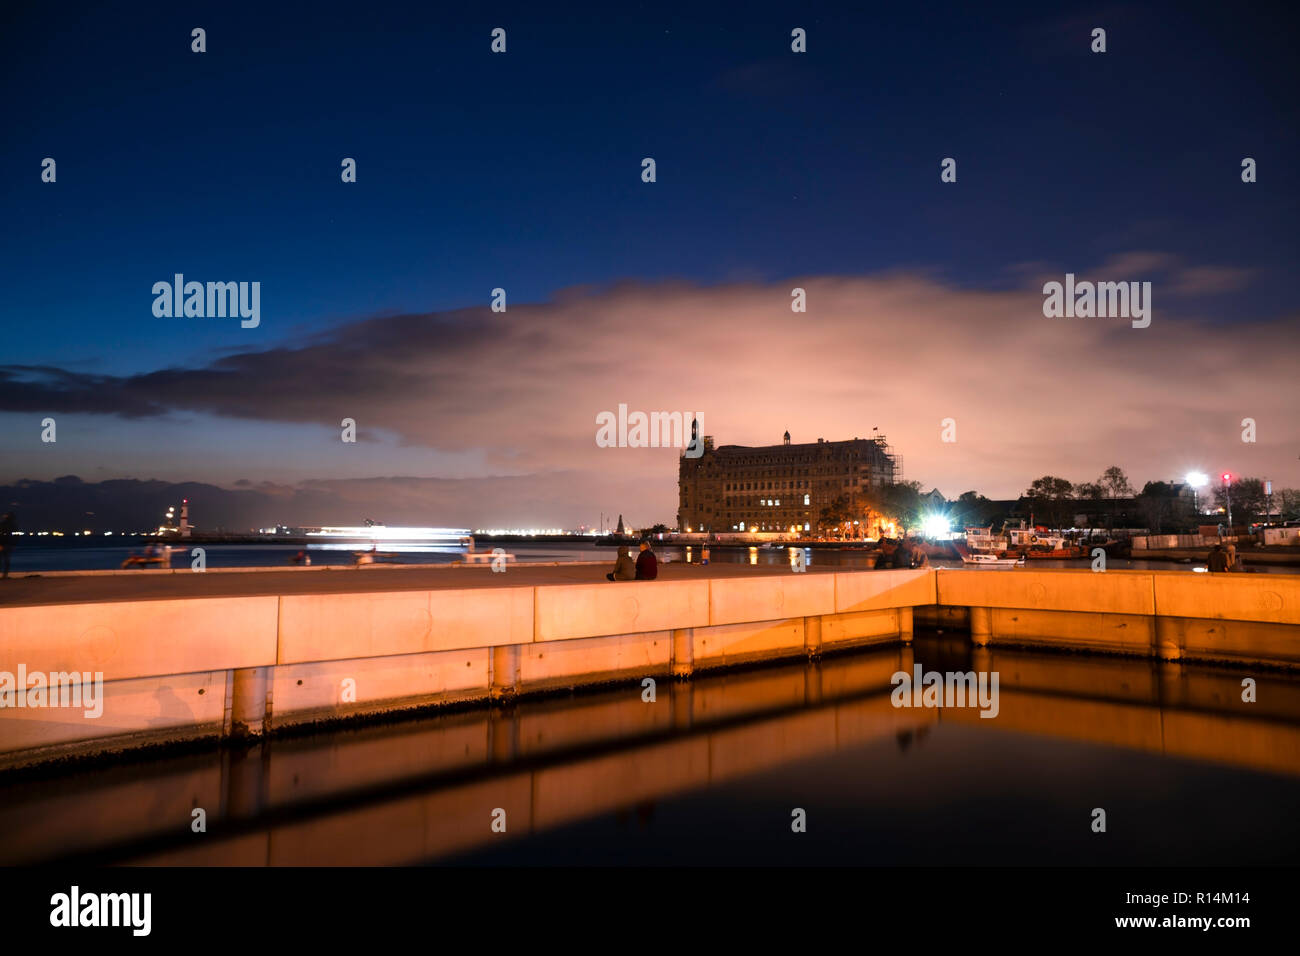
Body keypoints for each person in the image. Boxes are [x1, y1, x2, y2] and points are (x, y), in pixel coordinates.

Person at [0, 511, 15, 579]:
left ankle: (4, 575)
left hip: (4, 544)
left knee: (4, 560)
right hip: (8, 544)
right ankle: (5, 575)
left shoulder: (3, 524)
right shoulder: (12, 525)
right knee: (6, 560)